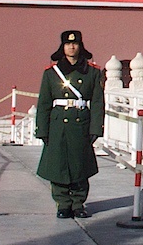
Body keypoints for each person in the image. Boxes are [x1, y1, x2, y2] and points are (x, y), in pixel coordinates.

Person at [35, 30, 105, 218]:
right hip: (58, 125)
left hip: (81, 123)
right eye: (67, 44)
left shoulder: (92, 72)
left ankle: (78, 204)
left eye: (75, 44)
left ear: (80, 46)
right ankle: (63, 204)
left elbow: (97, 102)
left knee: (79, 165)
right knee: (58, 165)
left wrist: (96, 128)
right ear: (62, 47)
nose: (71, 47)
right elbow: (44, 103)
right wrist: (42, 129)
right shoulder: (51, 73)